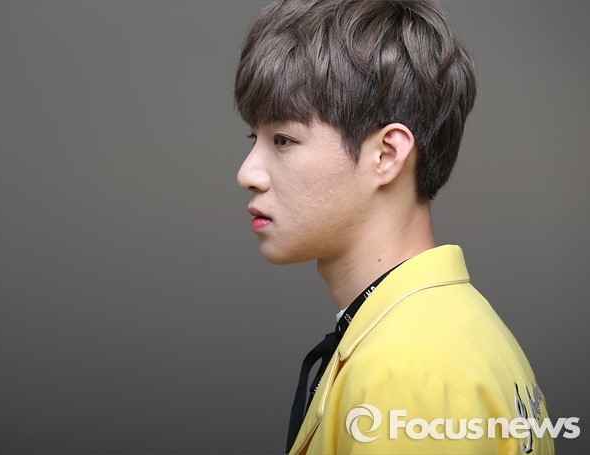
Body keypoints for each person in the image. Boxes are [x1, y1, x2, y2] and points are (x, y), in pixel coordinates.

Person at [234, 1, 555, 454]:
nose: (247, 173)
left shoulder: (408, 369)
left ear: (386, 155)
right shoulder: (452, 327)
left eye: (283, 139)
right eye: (256, 138)